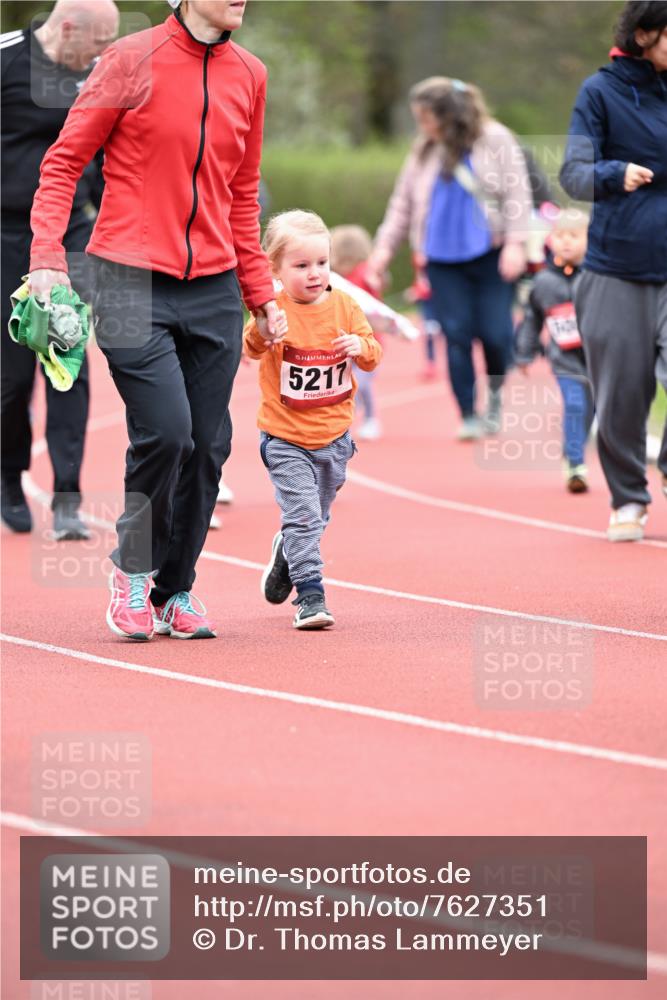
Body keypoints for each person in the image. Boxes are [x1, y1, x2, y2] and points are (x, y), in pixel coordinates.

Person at [28, 0, 280, 639]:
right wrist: (48, 259)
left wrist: (261, 292)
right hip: (126, 277)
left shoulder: (250, 73)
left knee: (209, 445)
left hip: (216, 287)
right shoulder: (128, 60)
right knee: (167, 433)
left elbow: (242, 194)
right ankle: (131, 572)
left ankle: (175, 590)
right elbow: (61, 165)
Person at [1, 0, 119, 539]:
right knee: (11, 374)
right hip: (4, 234)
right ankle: (8, 478)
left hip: (69, 234)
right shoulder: (6, 60)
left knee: (67, 359)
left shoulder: (97, 76)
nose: (101, 54)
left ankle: (68, 498)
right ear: (67, 27)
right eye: (97, 42)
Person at [366, 77, 531, 441]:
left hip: (491, 252)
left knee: (495, 334)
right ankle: (468, 412)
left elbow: (519, 192)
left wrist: (517, 244)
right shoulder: (424, 149)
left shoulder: (496, 139)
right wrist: (382, 252)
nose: (422, 126)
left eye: (426, 118)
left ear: (448, 114)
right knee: (455, 333)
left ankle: (496, 397)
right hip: (440, 257)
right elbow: (402, 204)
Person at [560, 0, 667, 542]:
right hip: (617, 265)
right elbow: (573, 174)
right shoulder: (599, 93)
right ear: (646, 34)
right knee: (622, 398)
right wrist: (614, 172)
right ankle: (628, 497)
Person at [244, 210, 382, 630]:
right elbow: (250, 348)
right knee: (304, 516)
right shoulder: (274, 309)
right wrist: (265, 329)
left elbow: (373, 356)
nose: (314, 273)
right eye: (301, 266)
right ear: (276, 270)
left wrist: (358, 344)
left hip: (334, 438)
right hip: (286, 437)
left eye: (321, 263)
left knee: (314, 518)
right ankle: (310, 596)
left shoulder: (344, 305)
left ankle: (288, 550)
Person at [515, 209, 595, 494]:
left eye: (574, 236)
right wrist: (524, 353)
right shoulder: (543, 282)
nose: (566, 242)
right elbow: (531, 319)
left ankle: (572, 448)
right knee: (574, 404)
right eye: (560, 235)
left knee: (591, 412)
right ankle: (576, 464)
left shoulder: (598, 278)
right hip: (564, 360)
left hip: (598, 361)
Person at [330, 224, 383, 440]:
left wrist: (376, 280)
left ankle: (371, 418)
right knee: (343, 384)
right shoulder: (334, 278)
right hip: (342, 340)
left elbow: (376, 286)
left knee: (362, 383)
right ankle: (347, 418)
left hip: (364, 342)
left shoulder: (364, 273)